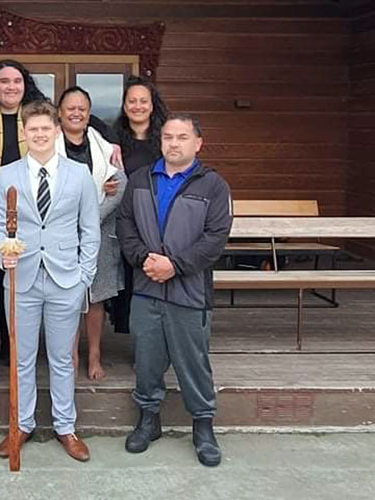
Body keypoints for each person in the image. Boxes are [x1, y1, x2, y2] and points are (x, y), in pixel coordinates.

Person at [116, 113, 232, 467]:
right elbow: (125, 223)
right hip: (146, 287)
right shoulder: (140, 180)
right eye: (168, 137)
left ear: (198, 143)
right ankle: (148, 420)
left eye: (182, 137)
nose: (174, 143)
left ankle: (203, 425)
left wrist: (175, 265)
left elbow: (215, 239)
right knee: (147, 359)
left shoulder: (213, 186)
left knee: (193, 361)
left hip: (190, 291)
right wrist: (143, 259)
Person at [0, 100, 100, 462]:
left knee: (63, 358)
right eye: (32, 129)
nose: (39, 134)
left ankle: (65, 426)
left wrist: (84, 277)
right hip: (20, 278)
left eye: (45, 129)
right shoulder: (8, 175)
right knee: (21, 358)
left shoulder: (78, 174)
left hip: (66, 278)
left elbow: (90, 229)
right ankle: (21, 424)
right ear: (24, 133)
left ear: (56, 131)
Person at [55, 86, 127, 381]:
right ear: (59, 112)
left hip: (99, 231)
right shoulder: (49, 145)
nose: (76, 113)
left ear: (88, 113)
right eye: (70, 108)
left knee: (94, 298)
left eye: (82, 108)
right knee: (67, 296)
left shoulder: (104, 148)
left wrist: (89, 221)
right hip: (61, 232)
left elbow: (120, 182)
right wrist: (73, 224)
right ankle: (70, 353)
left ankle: (94, 354)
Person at [0, 60, 46, 362]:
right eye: (4, 81)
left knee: (14, 278)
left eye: (17, 81)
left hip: (29, 213)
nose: (11, 86)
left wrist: (109, 142)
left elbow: (82, 127)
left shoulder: (36, 118)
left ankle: (11, 345)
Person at [110, 76, 170, 334]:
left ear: (152, 105)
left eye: (143, 101)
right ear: (124, 107)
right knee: (130, 283)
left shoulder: (166, 140)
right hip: (126, 221)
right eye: (131, 101)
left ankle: (155, 344)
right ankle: (137, 342)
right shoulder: (114, 141)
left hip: (160, 220)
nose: (137, 106)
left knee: (156, 281)